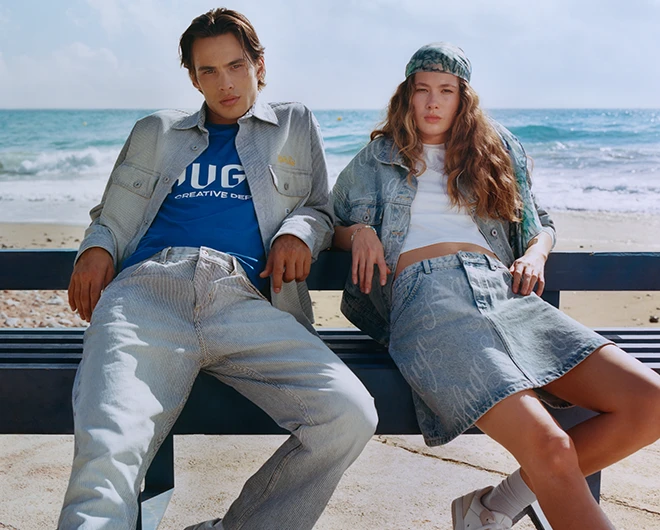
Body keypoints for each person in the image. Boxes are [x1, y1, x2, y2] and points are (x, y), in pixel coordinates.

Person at [59, 8, 377, 530]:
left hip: (242, 300)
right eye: (208, 71)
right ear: (192, 76)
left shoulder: (293, 123)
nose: (224, 83)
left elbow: (317, 209)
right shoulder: (155, 130)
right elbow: (111, 218)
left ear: (259, 64)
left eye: (235, 65)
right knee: (109, 452)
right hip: (146, 294)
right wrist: (96, 249)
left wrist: (298, 232)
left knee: (348, 415)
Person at [332, 42, 660, 530]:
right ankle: (496, 509)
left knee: (649, 402)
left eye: (446, 91)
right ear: (407, 95)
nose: (433, 103)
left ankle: (495, 506)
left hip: (506, 294)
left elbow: (539, 222)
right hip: (428, 301)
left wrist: (534, 252)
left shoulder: (498, 148)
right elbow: (330, 220)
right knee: (549, 445)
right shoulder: (375, 159)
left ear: (464, 97)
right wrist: (356, 232)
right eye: (422, 90)